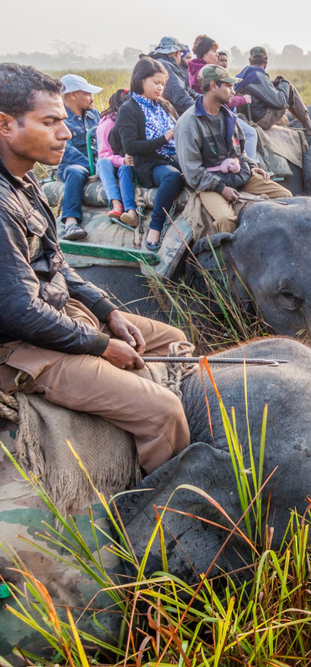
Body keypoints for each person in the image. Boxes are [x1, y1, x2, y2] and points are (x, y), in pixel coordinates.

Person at [0, 63, 191, 474]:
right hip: (20, 346)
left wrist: (109, 313)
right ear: (4, 125)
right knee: (162, 412)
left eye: (63, 122)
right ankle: (156, 517)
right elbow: (18, 311)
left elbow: (58, 264)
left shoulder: (25, 182)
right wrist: (100, 345)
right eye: (49, 122)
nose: (66, 133)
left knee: (172, 339)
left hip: (58, 314)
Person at [175, 65, 291, 234]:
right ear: (213, 86)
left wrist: (252, 166)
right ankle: (224, 260)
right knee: (226, 219)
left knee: (286, 196)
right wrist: (221, 188)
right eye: (228, 86)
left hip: (238, 174)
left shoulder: (229, 116)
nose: (233, 91)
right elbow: (193, 172)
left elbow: (240, 151)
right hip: (210, 183)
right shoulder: (188, 123)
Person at [112, 58, 185, 251]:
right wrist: (163, 138)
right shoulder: (129, 109)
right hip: (150, 163)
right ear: (140, 80)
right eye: (156, 82)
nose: (160, 87)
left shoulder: (165, 106)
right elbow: (131, 146)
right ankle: (156, 227)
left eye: (163, 83)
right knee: (173, 177)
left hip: (175, 157)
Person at [186, 36, 258, 161]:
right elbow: (220, 97)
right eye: (213, 51)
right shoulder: (206, 72)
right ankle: (253, 167)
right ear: (204, 52)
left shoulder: (194, 70)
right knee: (251, 133)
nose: (217, 55)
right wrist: (243, 100)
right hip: (215, 112)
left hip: (210, 110)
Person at [235, 47, 311, 135]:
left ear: (250, 61)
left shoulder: (244, 73)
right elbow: (280, 102)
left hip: (246, 117)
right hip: (259, 120)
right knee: (289, 88)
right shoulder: (259, 75)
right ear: (266, 62)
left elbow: (257, 89)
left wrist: (272, 84)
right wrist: (284, 84)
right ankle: (309, 125)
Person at [55, 74, 102, 241]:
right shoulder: (59, 120)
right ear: (73, 95)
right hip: (72, 165)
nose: (91, 98)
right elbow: (67, 151)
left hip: (98, 162)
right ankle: (70, 222)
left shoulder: (95, 115)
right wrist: (93, 167)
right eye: (87, 94)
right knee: (76, 172)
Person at [94, 89, 138, 227]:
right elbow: (104, 153)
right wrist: (121, 160)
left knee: (125, 169)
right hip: (111, 161)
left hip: (127, 164)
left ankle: (131, 211)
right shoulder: (108, 124)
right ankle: (116, 204)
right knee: (102, 163)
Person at [147, 36, 198, 116]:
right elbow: (179, 94)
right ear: (177, 53)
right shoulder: (164, 65)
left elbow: (187, 90)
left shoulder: (164, 64)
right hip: (170, 113)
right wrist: (198, 109)